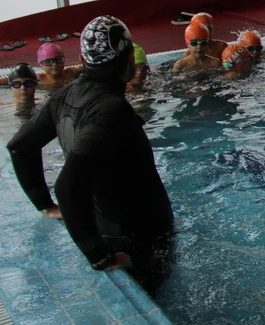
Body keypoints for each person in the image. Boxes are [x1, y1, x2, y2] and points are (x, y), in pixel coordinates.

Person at [7, 15, 174, 292]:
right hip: (138, 236)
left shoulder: (63, 96)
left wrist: (45, 205)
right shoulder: (110, 110)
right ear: (127, 60)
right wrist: (97, 256)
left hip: (108, 225)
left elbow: (19, 147)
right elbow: (67, 186)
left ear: (84, 59)